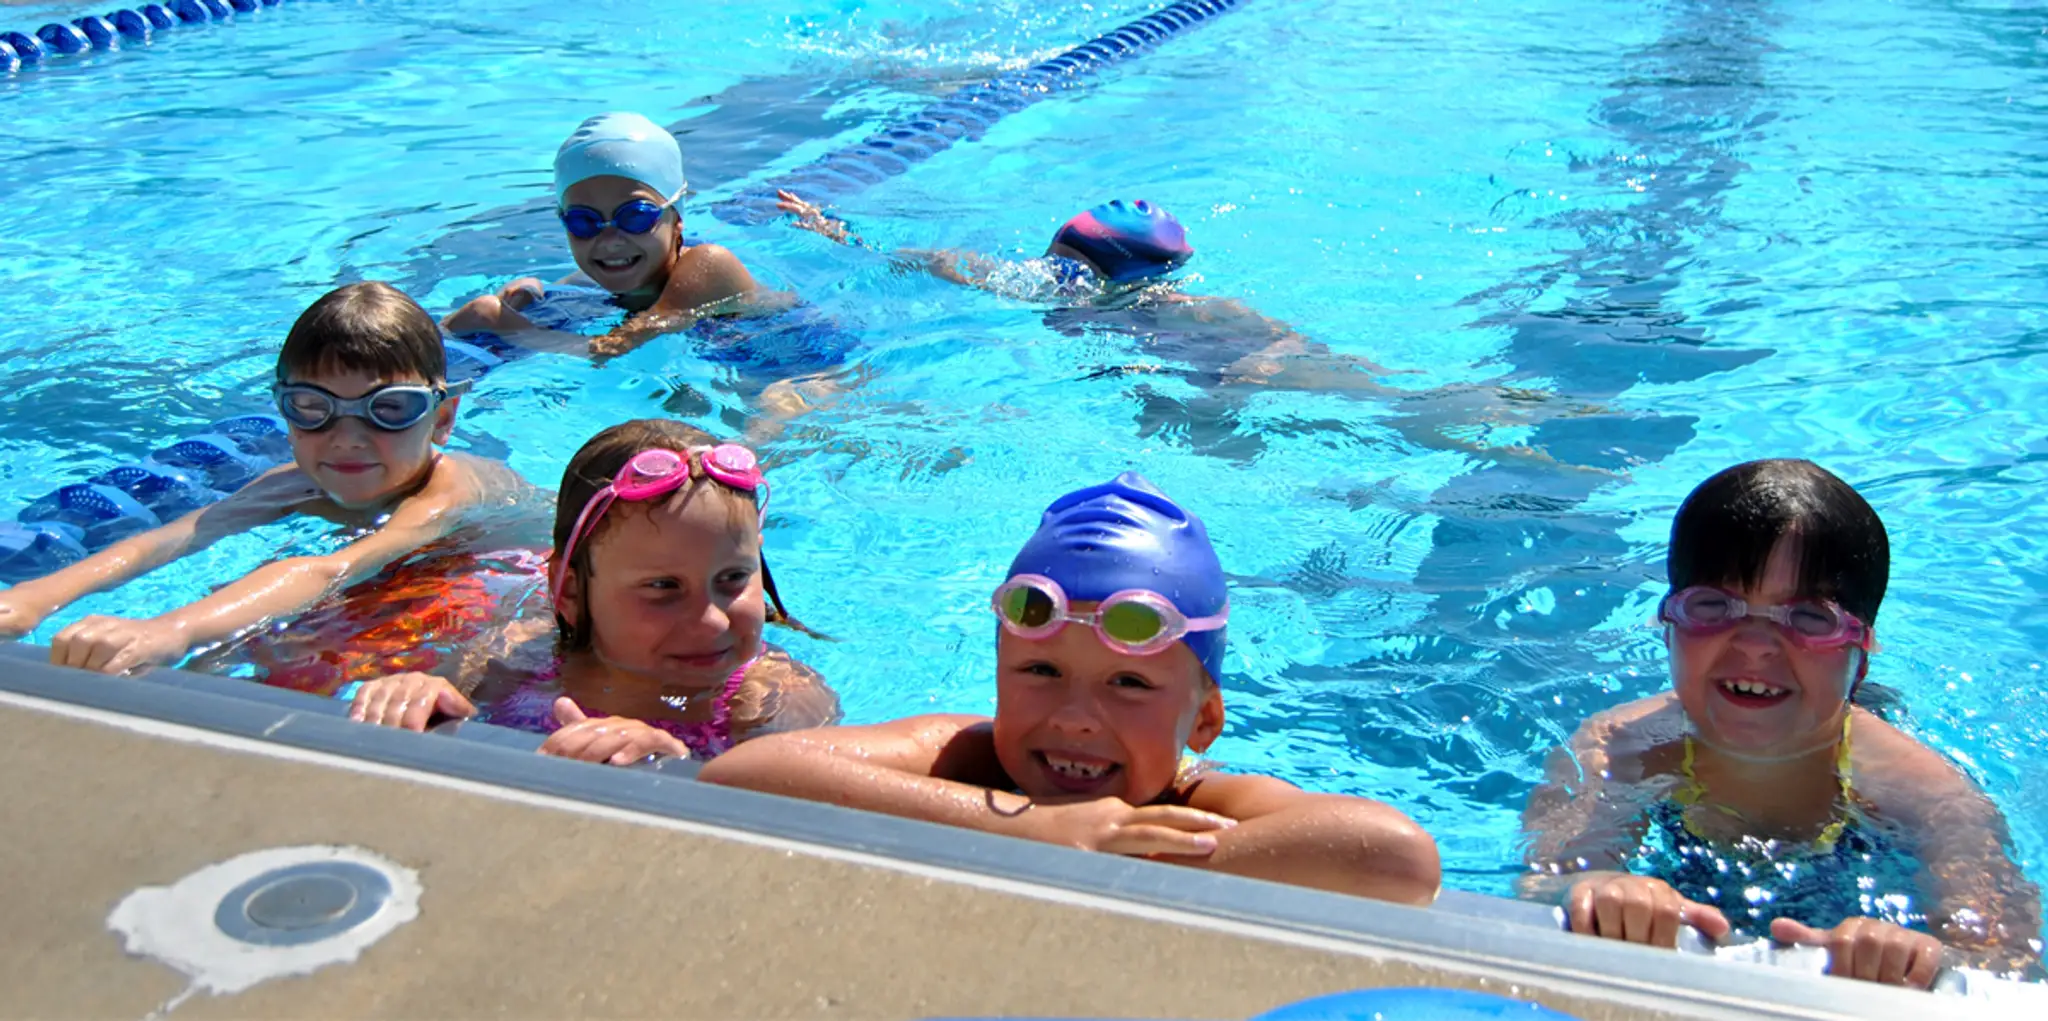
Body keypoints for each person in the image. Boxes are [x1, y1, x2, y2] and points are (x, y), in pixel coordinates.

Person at [700, 472, 1440, 903]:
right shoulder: (966, 755)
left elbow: (1394, 856)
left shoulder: (1201, 802)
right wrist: (1031, 829)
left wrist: (1119, 849)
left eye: (1128, 682)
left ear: (1205, 719)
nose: (1077, 717)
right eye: (1040, 671)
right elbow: (741, 774)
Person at [1520, 459, 2042, 987]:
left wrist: (1921, 958)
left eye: (1811, 618)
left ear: (1862, 651)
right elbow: (1541, 885)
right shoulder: (1617, 747)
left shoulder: (1923, 792)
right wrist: (1598, 889)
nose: (1753, 643)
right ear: (1668, 625)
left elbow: (2013, 959)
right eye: (1713, 606)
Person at [0, 282, 528, 675]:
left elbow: (329, 570)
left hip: (506, 569)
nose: (347, 437)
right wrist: (34, 596)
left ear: (441, 419)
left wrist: (172, 627)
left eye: (388, 409)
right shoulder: (289, 482)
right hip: (390, 566)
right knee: (231, 644)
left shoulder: (447, 489)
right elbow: (175, 536)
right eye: (312, 408)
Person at [341, 419, 840, 765]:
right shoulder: (511, 661)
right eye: (663, 587)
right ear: (570, 592)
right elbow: (459, 726)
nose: (711, 621)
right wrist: (421, 695)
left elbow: (796, 822)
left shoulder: (775, 701)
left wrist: (680, 769)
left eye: (732, 579)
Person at [443, 112, 777, 359]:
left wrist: (507, 326)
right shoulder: (606, 275)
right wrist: (533, 290)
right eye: (583, 223)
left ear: (676, 218)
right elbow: (566, 291)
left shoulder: (708, 264)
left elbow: (613, 348)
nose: (609, 241)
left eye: (634, 217)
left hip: (796, 370)